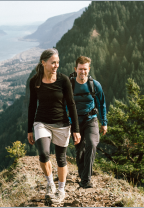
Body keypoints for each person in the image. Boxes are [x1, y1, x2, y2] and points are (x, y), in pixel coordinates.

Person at [27, 48, 81, 203]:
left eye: (58, 62)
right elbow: (32, 105)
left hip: (62, 124)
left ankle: (61, 190)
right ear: (43, 63)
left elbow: (71, 104)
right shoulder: (35, 81)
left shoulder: (63, 80)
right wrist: (29, 129)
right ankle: (50, 183)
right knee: (44, 154)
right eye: (53, 62)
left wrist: (76, 129)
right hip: (41, 122)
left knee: (61, 159)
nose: (56, 65)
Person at [69, 56, 107, 188]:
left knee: (91, 144)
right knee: (79, 150)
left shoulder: (95, 85)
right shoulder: (70, 85)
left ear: (88, 69)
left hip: (91, 120)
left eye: (85, 69)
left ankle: (86, 180)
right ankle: (82, 175)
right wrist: (70, 123)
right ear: (75, 69)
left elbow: (101, 104)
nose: (83, 72)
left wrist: (104, 122)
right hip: (75, 122)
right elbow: (64, 105)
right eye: (80, 69)